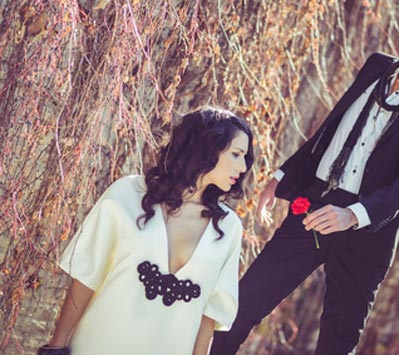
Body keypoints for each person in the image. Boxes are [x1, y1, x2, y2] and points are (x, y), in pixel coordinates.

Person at [210, 0, 399, 354]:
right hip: (314, 208)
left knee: (336, 344)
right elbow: (332, 129)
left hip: (366, 235)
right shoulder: (377, 66)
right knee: (241, 306)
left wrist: (353, 215)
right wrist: (283, 175)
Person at [39, 108, 254, 355]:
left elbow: (210, 313)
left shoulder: (228, 228)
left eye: (245, 157)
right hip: (98, 343)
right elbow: (87, 276)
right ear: (206, 148)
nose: (243, 166)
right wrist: (56, 347)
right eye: (237, 154)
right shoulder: (128, 194)